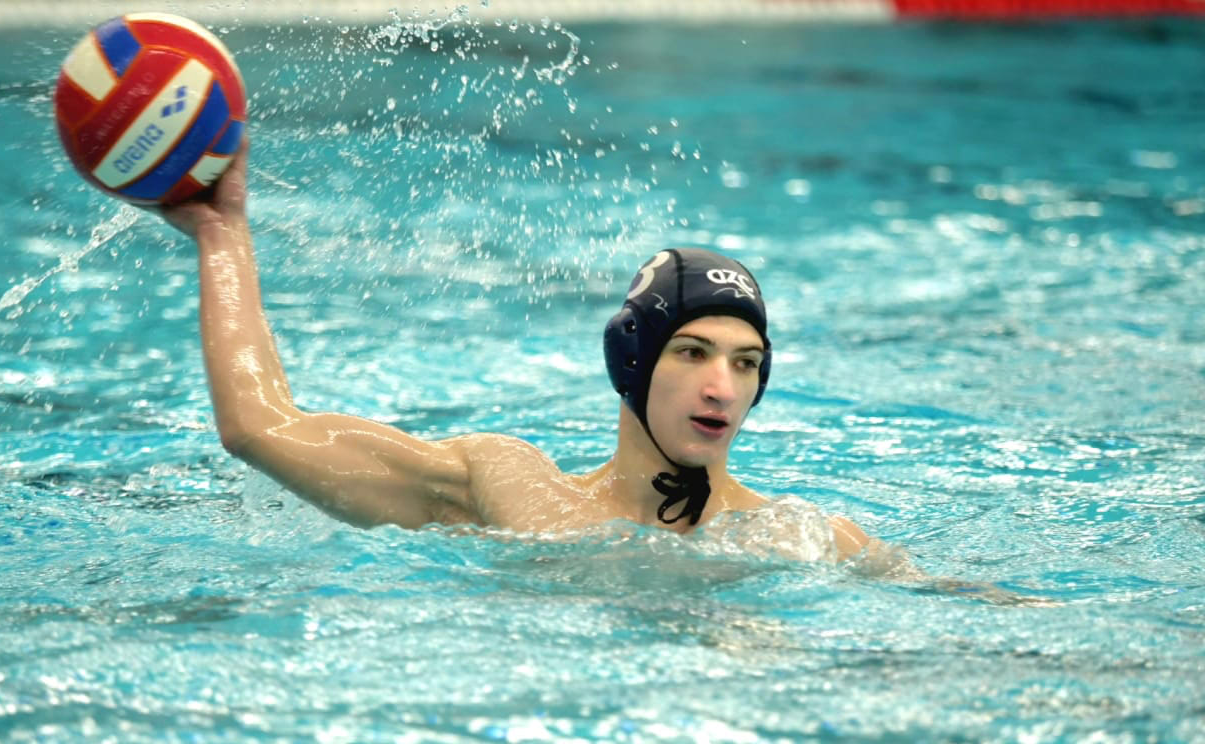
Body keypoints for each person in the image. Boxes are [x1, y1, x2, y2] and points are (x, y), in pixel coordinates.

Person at [162, 143, 876, 560]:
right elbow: (259, 427)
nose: (722, 386)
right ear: (633, 361)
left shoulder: (801, 538)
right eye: (692, 353)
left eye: (745, 363)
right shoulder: (509, 489)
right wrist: (222, 233)